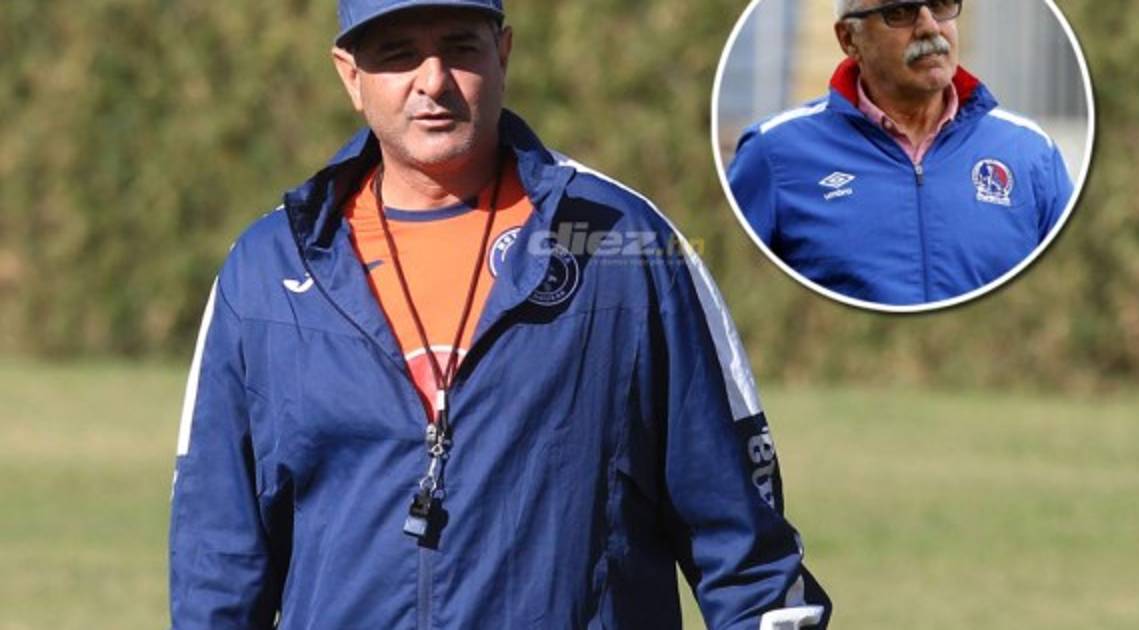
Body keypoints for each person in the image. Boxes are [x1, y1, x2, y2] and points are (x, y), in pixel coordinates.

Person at [168, 1, 831, 628]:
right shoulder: (268, 270)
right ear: (351, 75)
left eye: (460, 48)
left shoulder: (622, 245)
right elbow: (216, 558)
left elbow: (746, 553)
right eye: (398, 55)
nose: (433, 81)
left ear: (503, 52)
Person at [727, 0, 1075, 307]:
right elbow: (730, 299)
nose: (929, 27)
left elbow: (1070, 295)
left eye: (940, 4)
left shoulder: (1030, 153)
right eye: (900, 11)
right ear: (849, 39)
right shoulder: (773, 152)